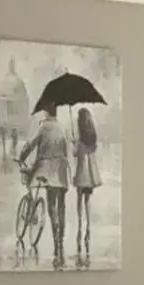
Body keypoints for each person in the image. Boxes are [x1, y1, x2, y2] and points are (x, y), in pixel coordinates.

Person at [18, 105, 69, 269]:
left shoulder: (43, 127)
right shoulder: (62, 127)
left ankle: (56, 245)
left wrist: (22, 156)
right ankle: (61, 243)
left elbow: (32, 145)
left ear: (47, 112)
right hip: (61, 170)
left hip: (47, 170)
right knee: (61, 207)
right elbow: (66, 151)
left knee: (52, 208)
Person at [73, 106, 100, 267]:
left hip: (81, 171)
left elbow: (76, 154)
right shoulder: (92, 137)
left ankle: (80, 222)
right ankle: (89, 224)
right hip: (90, 172)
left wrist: (73, 143)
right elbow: (93, 150)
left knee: (79, 197)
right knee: (88, 198)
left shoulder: (80, 138)